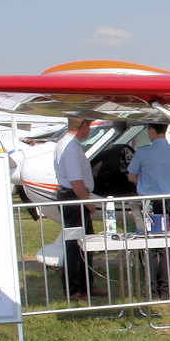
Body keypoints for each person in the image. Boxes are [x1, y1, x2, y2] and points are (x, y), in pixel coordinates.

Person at [126, 123, 170, 299]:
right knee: (167, 246)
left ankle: (151, 290)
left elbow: (131, 175)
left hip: (149, 202)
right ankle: (166, 290)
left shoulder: (143, 152)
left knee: (149, 247)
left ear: (151, 130)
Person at [53, 117, 107, 300]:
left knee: (84, 244)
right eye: (88, 126)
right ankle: (75, 289)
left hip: (73, 197)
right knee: (76, 245)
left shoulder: (67, 144)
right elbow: (76, 181)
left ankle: (84, 287)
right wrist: (88, 202)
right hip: (74, 198)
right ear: (83, 126)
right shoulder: (71, 148)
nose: (88, 130)